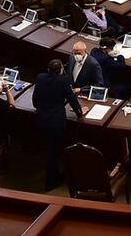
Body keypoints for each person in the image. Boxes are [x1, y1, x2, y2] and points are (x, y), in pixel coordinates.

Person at [32, 59, 86, 190]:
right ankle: (51, 182)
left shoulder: (40, 77)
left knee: (50, 150)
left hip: (41, 118)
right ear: (61, 69)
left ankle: (54, 175)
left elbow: (35, 98)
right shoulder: (64, 80)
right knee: (53, 152)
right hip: (55, 122)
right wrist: (80, 112)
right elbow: (71, 97)